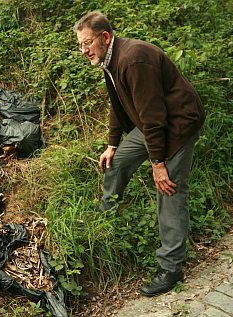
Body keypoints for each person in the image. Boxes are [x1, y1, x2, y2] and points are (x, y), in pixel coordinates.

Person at [74, 11, 205, 297]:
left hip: (177, 124)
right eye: (80, 45)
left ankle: (171, 267)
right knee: (116, 161)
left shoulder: (134, 59)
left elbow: (155, 118)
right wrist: (112, 143)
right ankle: (107, 216)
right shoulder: (111, 59)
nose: (83, 51)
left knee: (168, 188)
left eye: (87, 43)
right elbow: (118, 102)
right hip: (153, 125)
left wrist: (158, 164)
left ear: (105, 37)